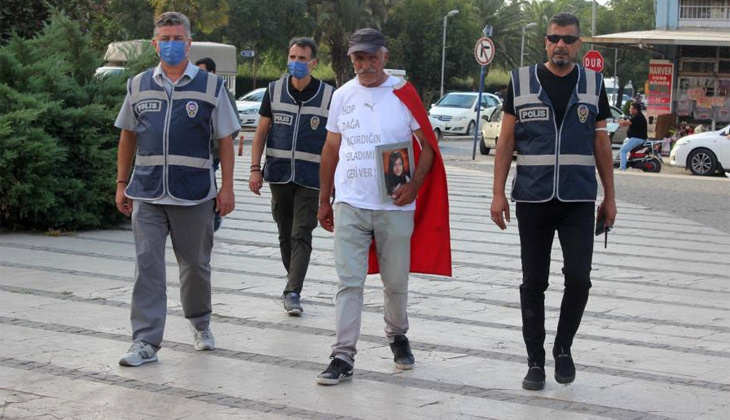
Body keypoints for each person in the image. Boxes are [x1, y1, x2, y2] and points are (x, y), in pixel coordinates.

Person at [315, 28, 451, 386]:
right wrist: (324, 199)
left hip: (394, 206)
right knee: (348, 282)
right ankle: (342, 354)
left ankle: (397, 335)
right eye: (358, 58)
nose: (365, 64)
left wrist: (415, 186)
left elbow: (428, 146)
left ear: (384, 57)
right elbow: (331, 149)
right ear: (351, 60)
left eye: (371, 57)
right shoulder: (342, 96)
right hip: (350, 203)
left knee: (395, 281)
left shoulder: (403, 96)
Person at [490, 12, 617, 390]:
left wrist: (610, 197)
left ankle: (563, 348)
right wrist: (498, 193)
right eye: (554, 38)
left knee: (579, 278)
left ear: (579, 44)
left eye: (568, 39)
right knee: (534, 282)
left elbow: (601, 144)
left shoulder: (593, 84)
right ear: (545, 42)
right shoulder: (521, 81)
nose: (560, 44)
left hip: (579, 197)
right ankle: (535, 362)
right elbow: (506, 142)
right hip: (533, 197)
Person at [114, 12, 240, 367]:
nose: (170, 44)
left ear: (188, 43)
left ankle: (200, 323)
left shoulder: (210, 86)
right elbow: (128, 135)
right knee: (147, 266)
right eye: (164, 38)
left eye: (177, 38)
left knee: (195, 267)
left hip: (195, 194)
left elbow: (226, 141)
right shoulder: (138, 84)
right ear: (155, 44)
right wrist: (121, 183)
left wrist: (226, 188)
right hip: (148, 193)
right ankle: (145, 342)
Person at [248, 38, 334, 315]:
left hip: (312, 178)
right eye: (292, 57)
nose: (295, 63)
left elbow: (336, 142)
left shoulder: (329, 95)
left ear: (313, 63)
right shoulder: (273, 91)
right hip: (279, 175)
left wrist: (333, 183)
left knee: (301, 233)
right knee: (285, 235)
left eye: (301, 58)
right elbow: (261, 132)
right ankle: (293, 280)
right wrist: (254, 169)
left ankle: (293, 291)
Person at [195, 57, 239, 231]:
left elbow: (232, 125)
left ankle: (213, 218)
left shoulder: (220, 90)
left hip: (211, 152)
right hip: (197, 152)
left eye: (203, 72)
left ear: (212, 72)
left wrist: (217, 144)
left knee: (209, 184)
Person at [617, 102, 648, 170]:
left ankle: (622, 168)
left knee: (623, 150)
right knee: (624, 143)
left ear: (635, 109)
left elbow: (625, 123)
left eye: (631, 108)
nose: (629, 110)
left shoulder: (638, 117)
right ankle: (622, 162)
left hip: (638, 138)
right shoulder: (637, 116)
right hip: (634, 138)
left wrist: (618, 122)